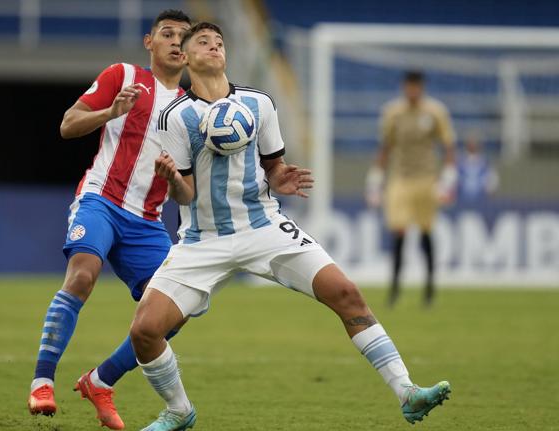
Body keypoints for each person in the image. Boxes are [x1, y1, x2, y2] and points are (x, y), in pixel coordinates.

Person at [128, 22, 451, 431]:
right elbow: (186, 195)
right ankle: (178, 411)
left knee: (347, 294)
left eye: (219, 42)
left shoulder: (259, 103)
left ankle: (407, 392)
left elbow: (273, 166)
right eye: (203, 43)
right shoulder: (176, 117)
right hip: (203, 239)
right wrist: (172, 179)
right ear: (187, 57)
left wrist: (279, 177)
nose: (214, 47)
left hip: (263, 226)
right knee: (145, 330)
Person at [27, 10, 192, 430]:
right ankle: (42, 382)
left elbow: (187, 193)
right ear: (148, 42)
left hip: (148, 222)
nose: (175, 42)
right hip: (101, 199)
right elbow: (67, 125)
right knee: (82, 275)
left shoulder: (193, 111)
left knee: (175, 311)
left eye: (183, 38)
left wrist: (173, 178)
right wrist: (109, 113)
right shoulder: (123, 76)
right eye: (167, 34)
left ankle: (100, 381)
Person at [366, 71, 457, 307]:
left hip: (427, 178)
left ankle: (429, 289)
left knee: (426, 231)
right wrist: (376, 178)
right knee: (399, 230)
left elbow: (448, 145)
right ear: (404, 87)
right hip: (400, 178)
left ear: (422, 87)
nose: (412, 91)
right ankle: (394, 289)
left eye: (416, 86)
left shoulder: (435, 111)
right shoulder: (392, 112)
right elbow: (385, 147)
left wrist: (448, 178)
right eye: (409, 86)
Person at [457, 132, 499, 204]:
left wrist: (490, 191)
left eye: (475, 142)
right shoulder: (459, 161)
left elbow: (492, 179)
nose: (473, 145)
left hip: (481, 199)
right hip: (462, 198)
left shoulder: (485, 162)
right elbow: (454, 178)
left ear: (479, 145)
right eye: (470, 142)